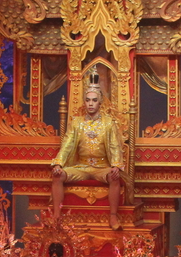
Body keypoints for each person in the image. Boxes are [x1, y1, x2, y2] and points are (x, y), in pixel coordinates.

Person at [50, 73, 125, 227]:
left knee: (114, 177)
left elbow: (114, 146)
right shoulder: (76, 123)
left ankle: (113, 216)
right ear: (84, 102)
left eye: (94, 100)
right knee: (57, 175)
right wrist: (58, 164)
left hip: (102, 167)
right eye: (88, 100)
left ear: (100, 102)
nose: (91, 104)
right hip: (81, 166)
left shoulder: (108, 123)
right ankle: (56, 216)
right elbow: (67, 144)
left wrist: (116, 166)